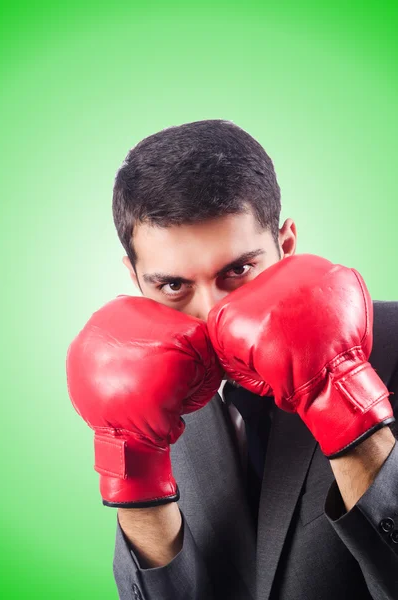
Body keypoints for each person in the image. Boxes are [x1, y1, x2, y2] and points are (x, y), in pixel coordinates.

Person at [66, 120, 398, 600]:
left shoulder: (388, 345)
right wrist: (133, 463)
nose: (211, 313)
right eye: (173, 286)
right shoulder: (138, 386)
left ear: (285, 246)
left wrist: (343, 396)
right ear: (135, 279)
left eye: (238, 270)